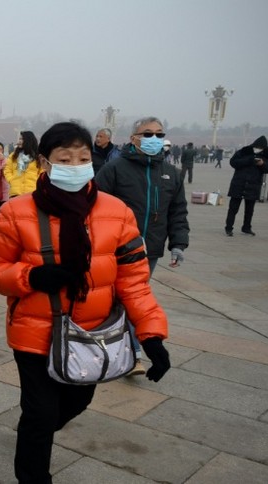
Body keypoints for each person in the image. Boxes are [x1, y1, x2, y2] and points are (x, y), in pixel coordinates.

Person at [0, 121, 170, 484]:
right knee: (40, 412)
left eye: (83, 157)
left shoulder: (117, 212)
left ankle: (35, 430)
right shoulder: (16, 212)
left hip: (91, 333)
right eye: (66, 158)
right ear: (45, 163)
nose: (77, 164)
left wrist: (151, 334)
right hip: (34, 331)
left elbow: (134, 282)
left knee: (76, 403)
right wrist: (29, 277)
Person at [95, 117, 188, 374]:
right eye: (147, 134)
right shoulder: (115, 169)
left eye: (159, 134)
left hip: (151, 251)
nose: (154, 139)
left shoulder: (172, 173)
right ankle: (112, 348)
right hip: (116, 249)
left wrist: (178, 244)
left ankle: (132, 353)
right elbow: (94, 205)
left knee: (134, 300)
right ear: (134, 137)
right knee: (111, 301)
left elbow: (178, 212)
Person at [224, 136, 268, 236]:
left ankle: (246, 227)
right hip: (238, 184)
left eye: (261, 147)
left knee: (249, 210)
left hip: (253, 185)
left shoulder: (266, 155)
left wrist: (262, 164)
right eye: (257, 146)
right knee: (233, 208)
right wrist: (249, 160)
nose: (259, 148)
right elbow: (233, 162)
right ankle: (229, 227)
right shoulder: (243, 152)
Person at [4, 131, 41, 198]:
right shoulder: (13, 156)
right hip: (16, 192)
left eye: (22, 139)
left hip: (32, 192)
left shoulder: (38, 157)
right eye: (19, 139)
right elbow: (7, 170)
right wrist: (11, 180)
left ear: (29, 141)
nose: (19, 141)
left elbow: (42, 172)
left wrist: (37, 182)